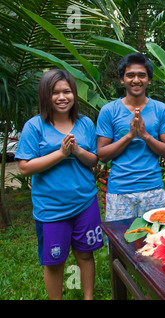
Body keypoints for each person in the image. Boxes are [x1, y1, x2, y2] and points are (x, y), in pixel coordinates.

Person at [15, 69, 102, 300]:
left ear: (74, 94)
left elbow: (93, 160)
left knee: (85, 255)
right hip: (51, 208)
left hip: (85, 202)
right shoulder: (34, 126)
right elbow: (24, 167)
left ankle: (88, 297)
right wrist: (61, 153)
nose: (62, 97)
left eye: (67, 91)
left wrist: (76, 150)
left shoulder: (85, 124)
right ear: (46, 95)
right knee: (54, 262)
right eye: (55, 92)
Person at [96, 52, 165, 221]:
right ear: (122, 79)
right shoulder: (109, 111)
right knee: (120, 242)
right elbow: (102, 155)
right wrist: (130, 136)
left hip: (152, 189)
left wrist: (145, 135)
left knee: (153, 242)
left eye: (142, 75)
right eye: (130, 75)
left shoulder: (161, 110)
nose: (136, 80)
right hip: (119, 190)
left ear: (149, 80)